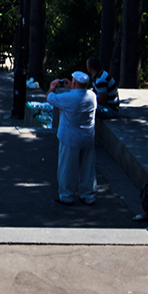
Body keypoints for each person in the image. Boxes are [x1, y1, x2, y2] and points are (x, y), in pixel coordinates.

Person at [45, 71, 99, 205]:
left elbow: (50, 98)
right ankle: (88, 195)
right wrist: (73, 87)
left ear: (74, 83)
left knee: (67, 168)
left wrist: (52, 86)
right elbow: (79, 93)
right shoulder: (92, 96)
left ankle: (66, 195)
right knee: (87, 169)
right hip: (87, 137)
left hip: (70, 138)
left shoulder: (67, 98)